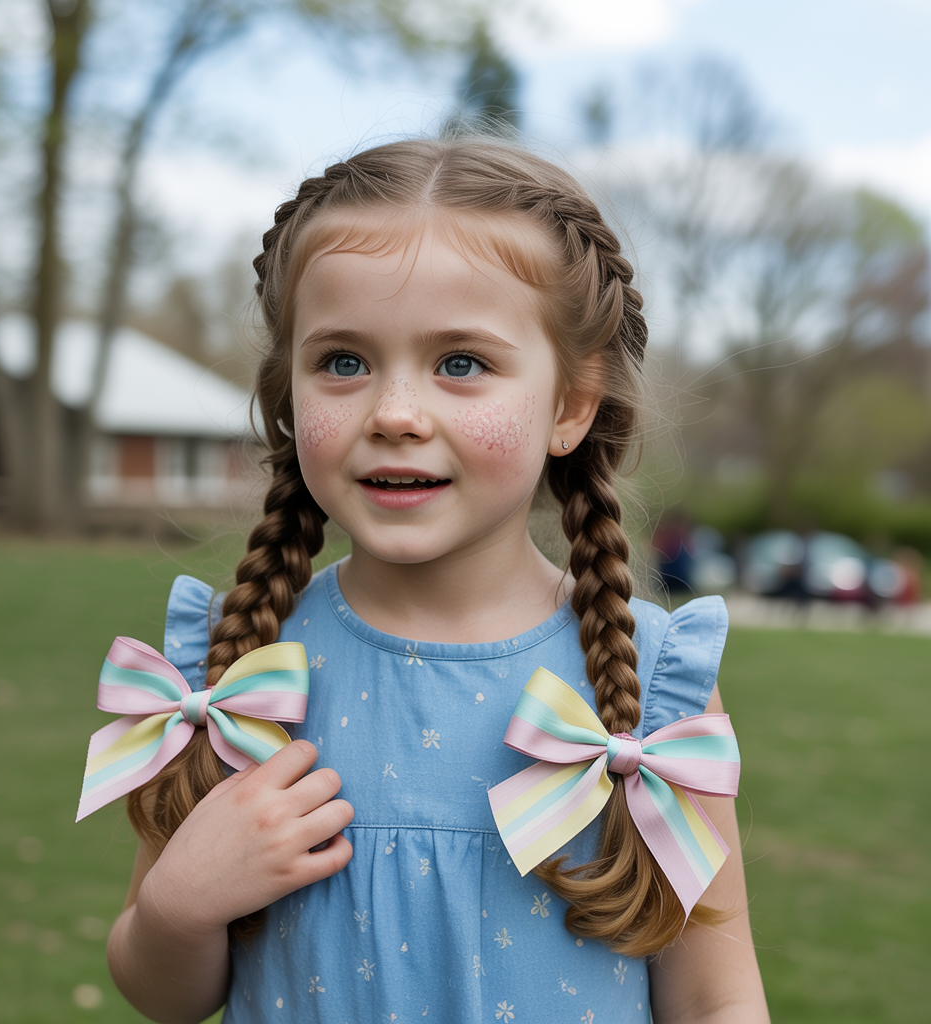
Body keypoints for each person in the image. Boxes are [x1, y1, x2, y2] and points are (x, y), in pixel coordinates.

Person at [93, 138, 770, 1023]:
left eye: (461, 363)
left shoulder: (655, 693)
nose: (395, 414)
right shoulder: (235, 674)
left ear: (572, 403)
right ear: (289, 393)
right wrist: (177, 909)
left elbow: (718, 999)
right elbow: (164, 995)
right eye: (343, 361)